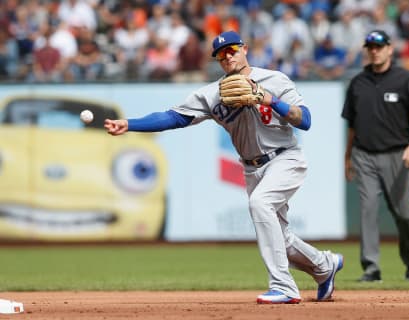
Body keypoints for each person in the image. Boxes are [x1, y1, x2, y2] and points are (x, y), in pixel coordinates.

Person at [104, 30, 343, 304]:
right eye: (221, 55)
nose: (227, 56)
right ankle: (325, 265)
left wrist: (270, 99)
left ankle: (284, 286)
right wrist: (129, 124)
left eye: (232, 50)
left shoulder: (274, 79)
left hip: (285, 158)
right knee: (281, 238)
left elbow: (305, 120)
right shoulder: (212, 94)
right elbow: (173, 117)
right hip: (252, 168)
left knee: (260, 204)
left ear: (245, 49)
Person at [341, 30, 409, 283]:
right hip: (365, 155)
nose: (374, 50)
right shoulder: (358, 82)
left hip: (397, 154)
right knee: (368, 210)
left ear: (390, 49)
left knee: (404, 213)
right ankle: (371, 268)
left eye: (379, 46)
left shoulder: (405, 79)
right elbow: (352, 124)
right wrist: (348, 157)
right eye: (370, 46)